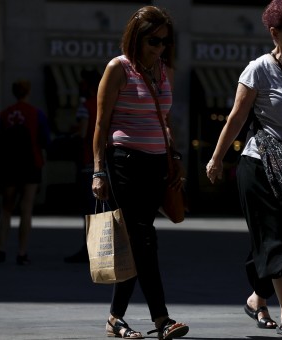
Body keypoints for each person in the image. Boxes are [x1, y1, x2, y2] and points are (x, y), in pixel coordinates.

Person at [205, 0, 282, 336]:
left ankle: (256, 298)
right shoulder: (258, 69)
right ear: (274, 32)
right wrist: (216, 157)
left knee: (280, 239)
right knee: (278, 239)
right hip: (260, 165)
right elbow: (237, 118)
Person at [91, 6, 189, 340]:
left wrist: (174, 156)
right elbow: (101, 123)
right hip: (124, 162)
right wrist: (98, 172)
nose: (159, 47)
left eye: (164, 41)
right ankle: (161, 319)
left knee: (138, 243)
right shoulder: (118, 69)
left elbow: (164, 120)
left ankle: (115, 318)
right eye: (153, 40)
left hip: (157, 163)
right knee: (144, 239)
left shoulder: (163, 70)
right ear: (137, 37)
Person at [0, 79, 50, 266]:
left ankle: (1, 248)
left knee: (6, 208)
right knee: (26, 208)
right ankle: (22, 252)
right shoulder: (36, 114)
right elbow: (45, 140)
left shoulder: (4, 114)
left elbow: (0, 144)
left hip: (9, 166)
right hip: (31, 163)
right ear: (28, 92)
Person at [64, 69, 101, 264]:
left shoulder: (84, 106)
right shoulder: (106, 105)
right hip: (104, 160)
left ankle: (89, 248)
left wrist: (73, 130)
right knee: (101, 207)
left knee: (88, 208)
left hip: (87, 161)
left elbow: (83, 132)